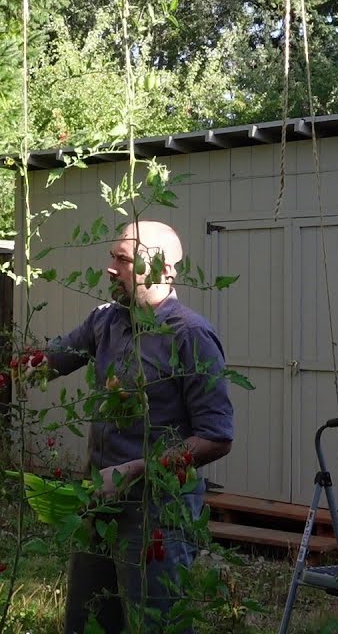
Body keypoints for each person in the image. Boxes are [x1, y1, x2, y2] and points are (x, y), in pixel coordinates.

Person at [42, 220, 235, 634]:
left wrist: (135, 470)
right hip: (98, 503)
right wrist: (10, 360)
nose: (110, 268)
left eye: (124, 259)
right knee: (89, 619)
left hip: (157, 513)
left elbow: (217, 437)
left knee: (156, 623)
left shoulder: (191, 336)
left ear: (165, 269)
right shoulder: (107, 321)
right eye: (112, 256)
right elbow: (49, 361)